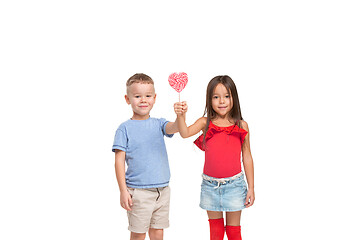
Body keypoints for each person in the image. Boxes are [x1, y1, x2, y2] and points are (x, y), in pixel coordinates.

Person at [174, 75, 255, 240]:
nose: (222, 101)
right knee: (216, 233)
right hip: (210, 186)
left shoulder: (241, 125)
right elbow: (184, 133)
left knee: (233, 232)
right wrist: (181, 116)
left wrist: (251, 187)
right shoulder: (205, 122)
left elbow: (247, 156)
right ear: (209, 99)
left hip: (235, 185)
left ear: (234, 98)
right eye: (216, 97)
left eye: (227, 96)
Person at [112, 73, 180, 240]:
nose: (143, 100)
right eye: (137, 96)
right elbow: (119, 162)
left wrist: (180, 116)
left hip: (163, 190)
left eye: (148, 96)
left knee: (158, 232)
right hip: (139, 192)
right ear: (128, 99)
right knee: (138, 234)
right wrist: (123, 191)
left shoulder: (159, 123)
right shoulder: (124, 129)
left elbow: (174, 128)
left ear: (154, 98)